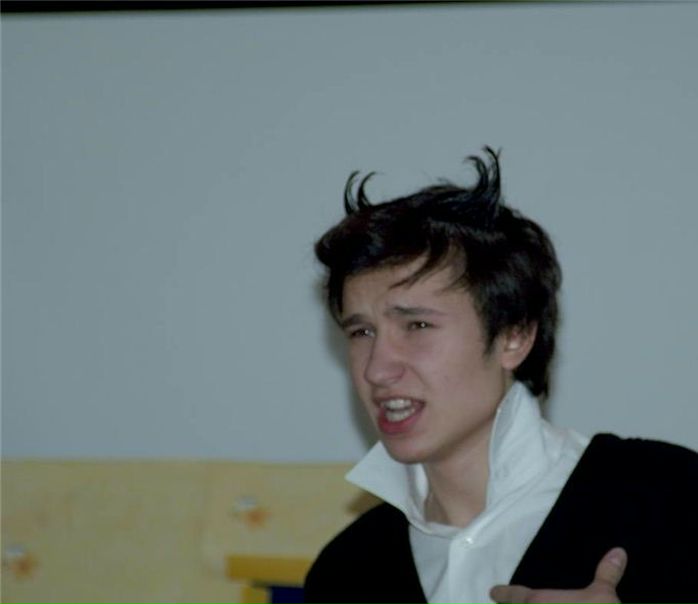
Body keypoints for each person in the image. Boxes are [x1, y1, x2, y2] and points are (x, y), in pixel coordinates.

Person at [303, 148, 698, 604]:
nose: (376, 368)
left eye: (418, 326)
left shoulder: (667, 497)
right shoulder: (345, 570)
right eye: (361, 332)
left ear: (514, 336)